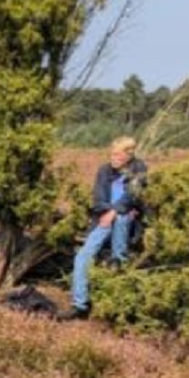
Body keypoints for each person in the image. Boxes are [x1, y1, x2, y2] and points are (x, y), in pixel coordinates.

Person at [59, 135, 148, 321]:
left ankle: (118, 260)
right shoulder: (104, 171)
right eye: (112, 154)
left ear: (129, 155)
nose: (113, 158)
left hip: (125, 223)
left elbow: (133, 195)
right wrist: (111, 212)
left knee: (124, 216)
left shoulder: (138, 169)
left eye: (118, 155)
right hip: (103, 221)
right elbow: (98, 201)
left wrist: (115, 212)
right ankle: (79, 305)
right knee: (82, 256)